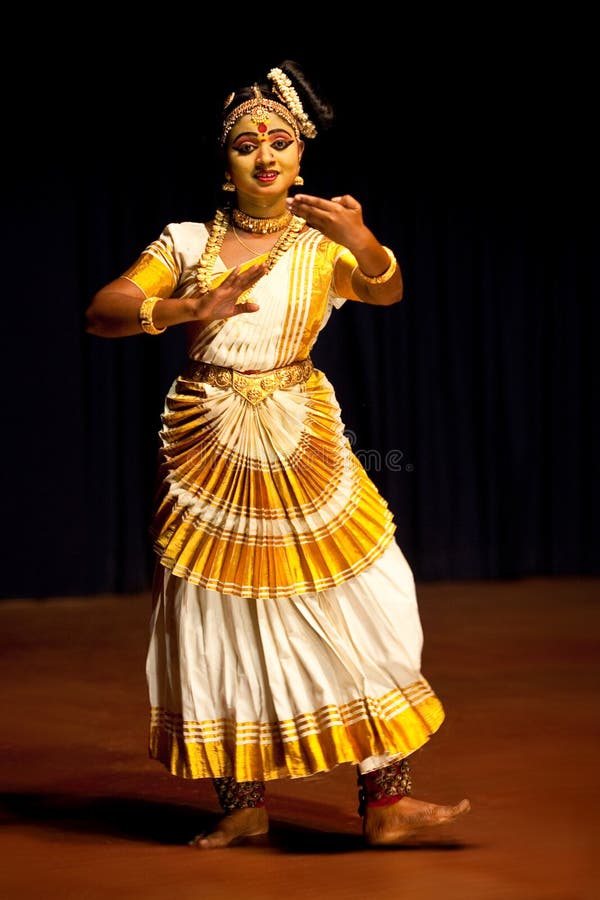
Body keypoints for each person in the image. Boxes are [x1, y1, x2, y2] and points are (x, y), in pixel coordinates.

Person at [85, 60, 470, 849]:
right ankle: (242, 801)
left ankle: (386, 798)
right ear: (223, 162)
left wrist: (362, 238)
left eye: (281, 141)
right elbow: (106, 310)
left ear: (302, 155)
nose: (265, 155)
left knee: (371, 597)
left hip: (301, 435)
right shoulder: (188, 242)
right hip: (209, 441)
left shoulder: (322, 241)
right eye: (245, 144)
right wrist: (185, 306)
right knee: (217, 617)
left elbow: (385, 290)